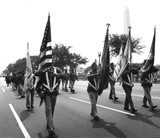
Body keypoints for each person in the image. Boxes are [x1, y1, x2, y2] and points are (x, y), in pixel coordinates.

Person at [35, 66, 64, 136]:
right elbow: (36, 73)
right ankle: (50, 129)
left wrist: (57, 74)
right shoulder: (43, 70)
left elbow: (64, 75)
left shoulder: (57, 69)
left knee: (52, 109)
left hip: (54, 93)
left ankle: (49, 123)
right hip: (46, 93)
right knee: (48, 109)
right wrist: (45, 70)